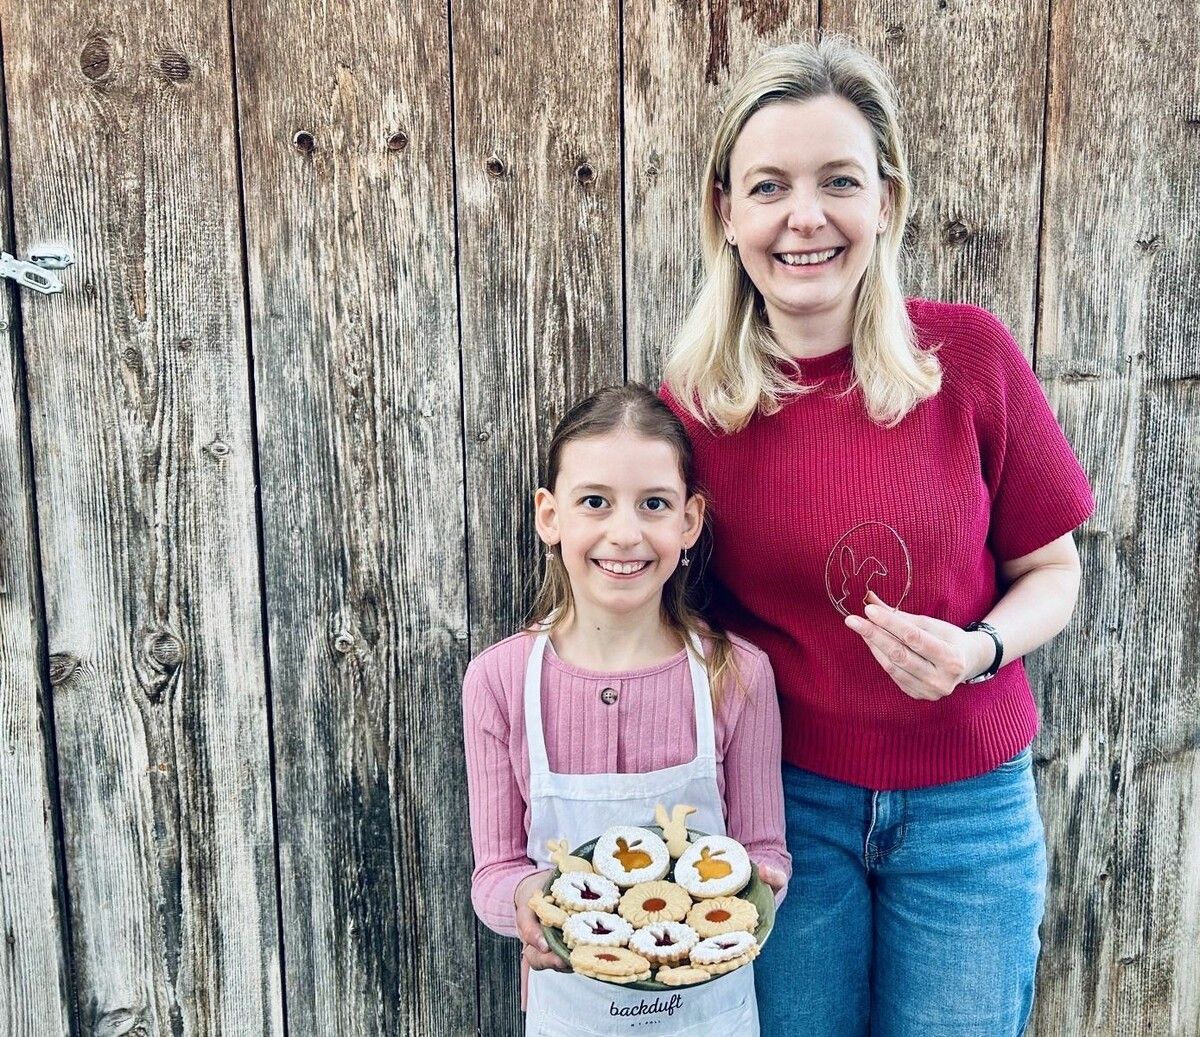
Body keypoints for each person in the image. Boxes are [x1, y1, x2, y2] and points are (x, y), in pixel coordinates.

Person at [659, 35, 1094, 1037]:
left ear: (886, 201)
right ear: (726, 210)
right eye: (769, 185)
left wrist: (981, 647)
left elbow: (1055, 569)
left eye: (839, 181)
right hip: (782, 818)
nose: (804, 216)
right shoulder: (692, 410)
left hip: (968, 817)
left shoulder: (972, 359)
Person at [462, 384, 791, 1035]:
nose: (625, 532)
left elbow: (765, 848)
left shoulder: (739, 676)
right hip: (574, 1013)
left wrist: (760, 881)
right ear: (550, 516)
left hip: (709, 1015)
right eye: (594, 502)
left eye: (654, 504)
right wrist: (527, 899)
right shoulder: (499, 681)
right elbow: (494, 871)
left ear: (688, 521)